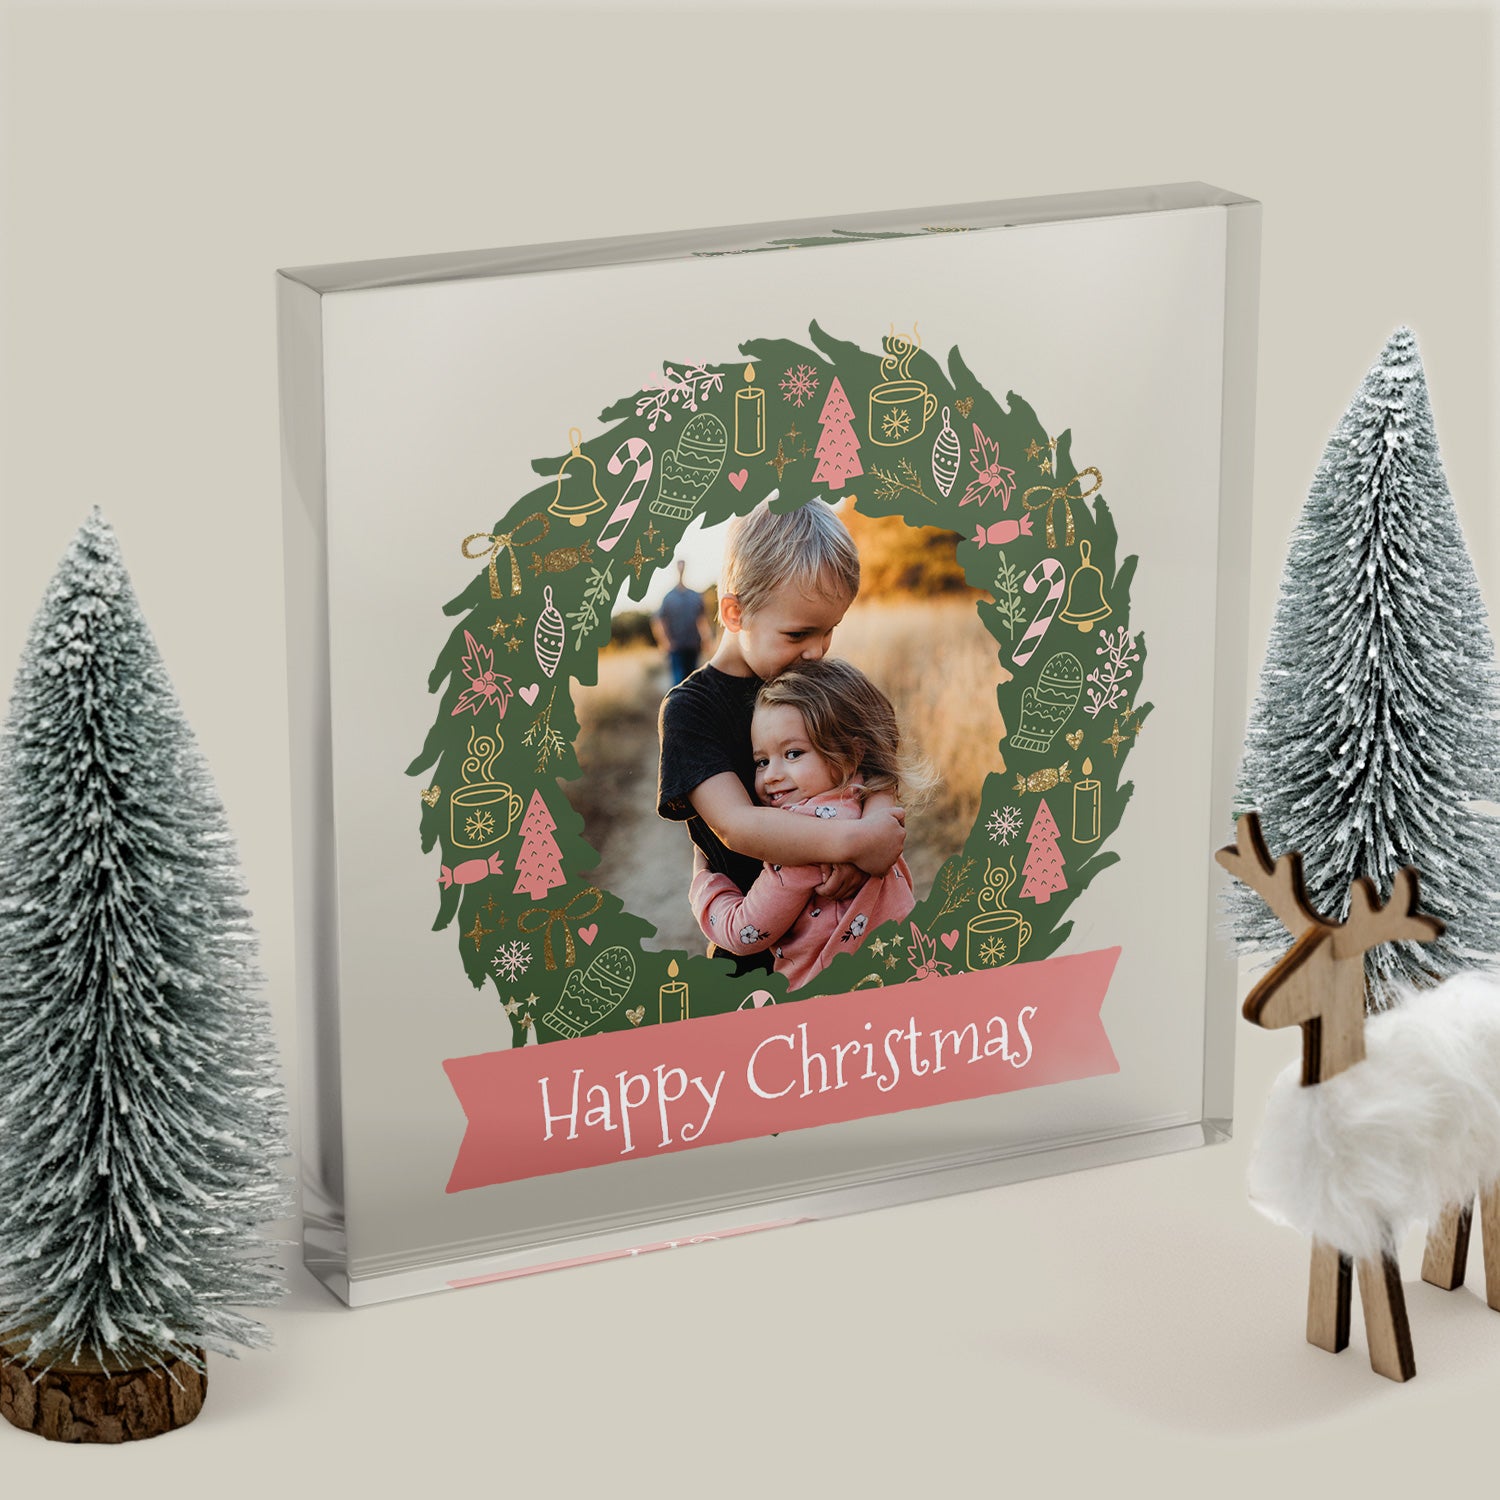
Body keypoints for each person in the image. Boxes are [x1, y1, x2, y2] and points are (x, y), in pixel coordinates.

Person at [656, 498, 907, 977]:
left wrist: (877, 832)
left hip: (850, 933)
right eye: (798, 634)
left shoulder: (815, 681)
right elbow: (738, 825)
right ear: (734, 613)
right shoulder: (692, 710)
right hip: (758, 956)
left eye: (829, 631)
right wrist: (852, 842)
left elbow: (877, 761)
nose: (816, 652)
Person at [689, 659, 928, 989]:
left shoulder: (800, 840)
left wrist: (704, 883)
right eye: (761, 761)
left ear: (849, 752)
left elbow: (744, 932)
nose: (772, 775)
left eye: (793, 754)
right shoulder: (869, 806)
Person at [652, 560, 711, 686]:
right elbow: (658, 620)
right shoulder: (669, 597)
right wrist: (664, 642)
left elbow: (702, 620)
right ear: (676, 569)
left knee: (692, 681)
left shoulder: (694, 596)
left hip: (693, 645)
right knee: (678, 682)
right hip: (676, 647)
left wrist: (706, 639)